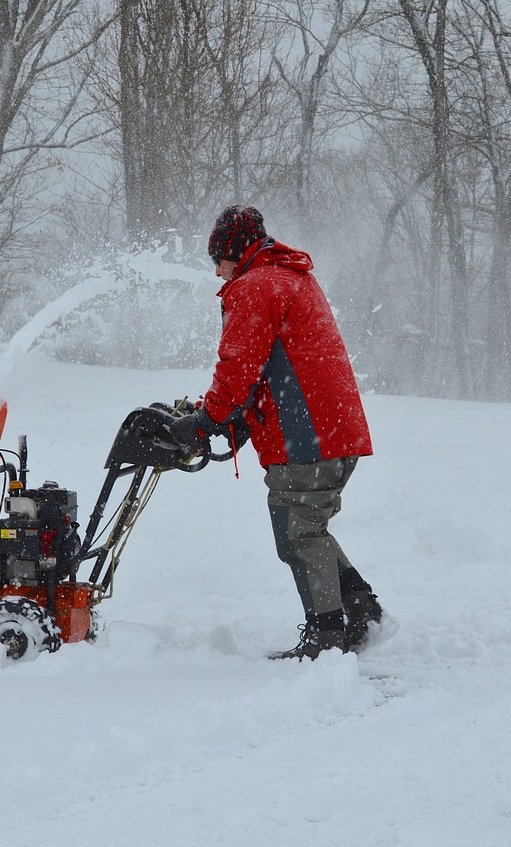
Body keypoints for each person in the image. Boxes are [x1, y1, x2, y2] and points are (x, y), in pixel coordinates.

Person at [170, 205, 383, 660]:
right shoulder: (293, 278)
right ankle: (361, 609)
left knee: (297, 534)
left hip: (307, 435)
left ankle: (326, 636)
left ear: (233, 252)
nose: (217, 272)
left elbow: (240, 366)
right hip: (333, 430)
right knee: (309, 527)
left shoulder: (254, 286)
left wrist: (207, 420)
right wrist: (234, 419)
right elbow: (278, 365)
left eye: (218, 261)